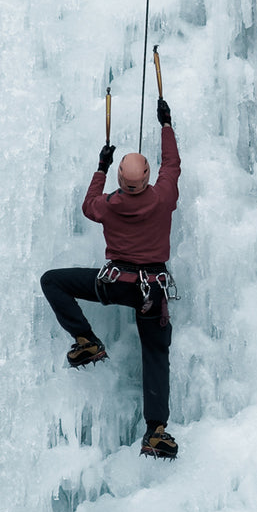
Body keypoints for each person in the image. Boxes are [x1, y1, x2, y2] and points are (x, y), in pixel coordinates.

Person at [40, 98, 181, 459]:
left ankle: (86, 339)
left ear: (120, 178)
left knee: (53, 281)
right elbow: (172, 165)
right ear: (148, 178)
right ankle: (156, 432)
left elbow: (88, 204)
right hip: (152, 290)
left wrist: (101, 166)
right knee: (155, 354)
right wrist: (166, 125)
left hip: (115, 283)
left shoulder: (108, 205)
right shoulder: (163, 198)